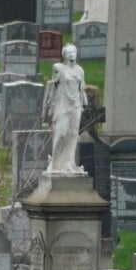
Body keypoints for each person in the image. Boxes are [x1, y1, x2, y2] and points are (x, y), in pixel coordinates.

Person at [43, 44, 88, 174]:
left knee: (73, 134)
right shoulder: (59, 68)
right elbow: (54, 81)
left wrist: (83, 102)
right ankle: (55, 164)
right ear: (64, 55)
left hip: (76, 105)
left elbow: (82, 88)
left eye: (73, 52)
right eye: (68, 53)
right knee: (61, 133)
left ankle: (69, 163)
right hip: (63, 104)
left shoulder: (80, 70)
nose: (71, 55)